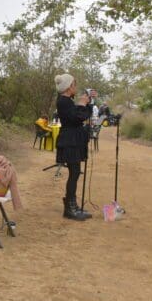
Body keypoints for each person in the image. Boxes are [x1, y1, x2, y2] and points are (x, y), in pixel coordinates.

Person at [54, 73, 92, 221]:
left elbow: (83, 116)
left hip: (72, 140)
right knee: (74, 172)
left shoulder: (67, 100)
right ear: (69, 87)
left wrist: (87, 103)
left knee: (75, 172)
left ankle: (72, 205)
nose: (76, 87)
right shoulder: (63, 101)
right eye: (74, 85)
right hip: (69, 141)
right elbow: (76, 118)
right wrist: (82, 105)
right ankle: (70, 208)